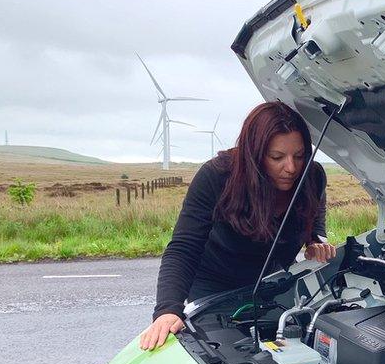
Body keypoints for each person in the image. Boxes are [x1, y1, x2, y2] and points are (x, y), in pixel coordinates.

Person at [139, 101, 336, 350]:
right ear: (254, 153)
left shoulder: (312, 175)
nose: (291, 167)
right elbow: (184, 247)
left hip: (272, 279)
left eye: (299, 156)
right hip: (214, 284)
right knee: (223, 352)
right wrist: (168, 308)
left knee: (283, 348)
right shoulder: (216, 176)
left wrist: (315, 238)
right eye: (277, 157)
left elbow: (313, 206)